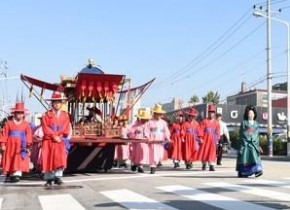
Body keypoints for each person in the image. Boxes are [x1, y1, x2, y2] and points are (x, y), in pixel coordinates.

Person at [41, 91, 72, 186]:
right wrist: (53, 136)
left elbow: (66, 127)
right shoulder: (46, 115)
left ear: (61, 103)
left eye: (59, 102)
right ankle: (49, 178)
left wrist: (60, 136)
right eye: (55, 102)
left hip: (59, 140)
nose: (57, 104)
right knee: (48, 158)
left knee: (59, 158)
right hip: (49, 140)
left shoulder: (65, 115)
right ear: (52, 104)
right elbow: (45, 127)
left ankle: (58, 177)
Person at [0, 102, 32, 182]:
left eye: (22, 113)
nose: (20, 115)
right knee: (11, 158)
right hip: (11, 144)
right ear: (14, 113)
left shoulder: (26, 124)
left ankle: (17, 174)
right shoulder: (8, 123)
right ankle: (11, 172)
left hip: (21, 144)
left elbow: (28, 134)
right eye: (18, 113)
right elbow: (4, 134)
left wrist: (28, 145)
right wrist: (3, 144)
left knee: (19, 158)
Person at [236, 105, 263, 178]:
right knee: (246, 153)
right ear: (247, 114)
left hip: (254, 142)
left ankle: (257, 170)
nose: (251, 115)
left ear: (254, 114)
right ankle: (244, 172)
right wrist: (248, 137)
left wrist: (256, 142)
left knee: (255, 153)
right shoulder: (244, 123)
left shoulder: (256, 124)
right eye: (249, 113)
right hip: (245, 143)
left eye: (252, 113)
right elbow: (242, 133)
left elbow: (256, 134)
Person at [144, 104, 171, 174]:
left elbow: (166, 131)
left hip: (160, 141)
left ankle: (156, 163)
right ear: (155, 114)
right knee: (153, 154)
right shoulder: (149, 122)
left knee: (159, 155)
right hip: (153, 141)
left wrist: (167, 138)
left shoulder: (163, 123)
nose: (159, 115)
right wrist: (147, 137)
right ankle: (152, 167)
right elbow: (146, 131)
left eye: (160, 114)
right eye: (158, 114)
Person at [198, 104, 220, 171]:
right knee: (205, 151)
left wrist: (217, 139)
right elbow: (201, 130)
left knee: (212, 152)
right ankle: (204, 163)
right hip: (205, 140)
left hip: (212, 140)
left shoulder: (216, 122)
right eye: (210, 112)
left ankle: (211, 165)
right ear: (208, 113)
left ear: (214, 113)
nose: (211, 113)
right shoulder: (204, 121)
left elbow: (217, 131)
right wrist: (200, 138)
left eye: (213, 112)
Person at [127, 108, 150, 173]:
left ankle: (140, 166)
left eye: (146, 119)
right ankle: (134, 164)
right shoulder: (135, 124)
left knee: (143, 153)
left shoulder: (147, 125)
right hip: (137, 142)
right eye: (143, 119)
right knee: (136, 154)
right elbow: (130, 131)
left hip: (144, 142)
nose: (145, 120)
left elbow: (150, 132)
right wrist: (133, 137)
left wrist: (148, 137)